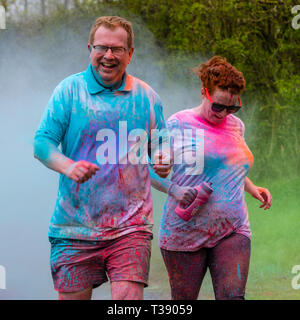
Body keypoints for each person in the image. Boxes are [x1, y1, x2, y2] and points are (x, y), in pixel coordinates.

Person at [33, 16, 171, 300]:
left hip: (131, 227)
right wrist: (68, 166)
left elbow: (161, 148)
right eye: (102, 47)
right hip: (73, 228)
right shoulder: (69, 92)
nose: (109, 55)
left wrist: (163, 161)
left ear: (130, 54)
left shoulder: (147, 97)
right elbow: (42, 143)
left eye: (117, 49)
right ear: (90, 49)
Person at [150, 56, 272, 300]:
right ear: (204, 92)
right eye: (218, 106)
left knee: (233, 298)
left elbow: (230, 166)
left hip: (232, 228)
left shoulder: (236, 125)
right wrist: (174, 188)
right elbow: (150, 170)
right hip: (184, 231)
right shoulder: (177, 123)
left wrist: (251, 187)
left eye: (232, 107)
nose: (224, 113)